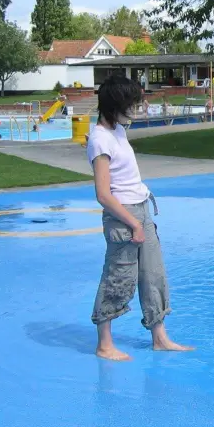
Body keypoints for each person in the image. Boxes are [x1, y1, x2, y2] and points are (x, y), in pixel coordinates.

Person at [87, 74, 192, 361]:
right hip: (123, 217)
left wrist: (141, 218)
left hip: (141, 209)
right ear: (114, 106)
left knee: (153, 275)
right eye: (130, 104)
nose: (134, 110)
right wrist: (133, 223)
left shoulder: (118, 130)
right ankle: (104, 344)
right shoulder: (99, 140)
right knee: (118, 278)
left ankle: (160, 337)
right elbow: (103, 194)